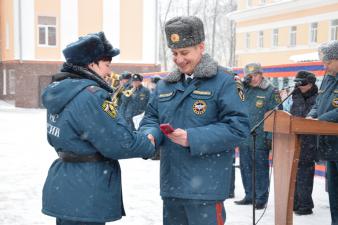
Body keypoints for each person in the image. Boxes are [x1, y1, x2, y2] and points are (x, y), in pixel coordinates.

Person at [139, 16, 250, 225]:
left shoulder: (225, 82)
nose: (179, 59)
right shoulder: (164, 86)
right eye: (174, 53)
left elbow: (238, 128)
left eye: (184, 52)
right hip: (172, 187)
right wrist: (150, 135)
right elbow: (151, 119)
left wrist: (193, 137)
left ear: (201, 47)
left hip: (206, 189)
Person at [41, 32, 155, 225]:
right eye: (107, 65)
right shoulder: (92, 96)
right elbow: (119, 143)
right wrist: (148, 143)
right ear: (91, 64)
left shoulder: (62, 90)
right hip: (87, 189)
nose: (109, 72)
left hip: (66, 185)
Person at [235, 63, 282, 209]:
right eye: (250, 76)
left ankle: (261, 198)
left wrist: (269, 137)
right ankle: (249, 195)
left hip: (260, 137)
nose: (253, 78)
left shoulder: (270, 90)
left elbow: (276, 115)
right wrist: (240, 85)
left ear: (261, 74)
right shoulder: (245, 89)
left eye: (255, 75)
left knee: (260, 169)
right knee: (245, 167)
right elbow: (234, 105)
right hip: (245, 136)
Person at [307, 40, 338, 225]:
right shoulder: (328, 77)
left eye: (327, 62)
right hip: (330, 146)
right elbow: (319, 103)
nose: (324, 66)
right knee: (333, 192)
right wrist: (311, 116)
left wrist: (321, 119)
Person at [290, 71, 318, 215]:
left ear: (311, 83)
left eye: (303, 83)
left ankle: (305, 205)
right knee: (293, 173)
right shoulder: (295, 94)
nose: (300, 86)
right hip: (294, 139)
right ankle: (294, 203)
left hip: (310, 140)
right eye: (298, 83)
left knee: (305, 174)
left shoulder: (318, 97)